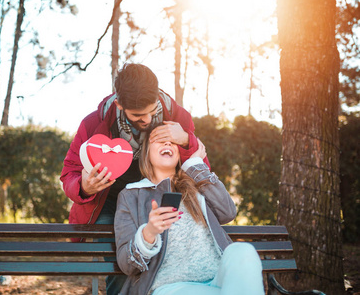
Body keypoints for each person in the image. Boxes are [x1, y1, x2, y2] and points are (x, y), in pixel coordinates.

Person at [60, 63, 210, 294]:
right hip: (107, 203)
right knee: (122, 266)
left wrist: (186, 140)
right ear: (120, 105)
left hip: (160, 198)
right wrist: (84, 187)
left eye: (152, 111)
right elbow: (69, 171)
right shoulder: (93, 124)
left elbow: (200, 168)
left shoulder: (178, 116)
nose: (148, 120)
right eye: (138, 115)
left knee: (166, 262)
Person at [114, 134, 264, 295]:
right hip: (172, 287)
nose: (167, 142)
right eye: (159, 139)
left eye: (173, 141)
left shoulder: (196, 186)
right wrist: (149, 232)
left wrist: (195, 164)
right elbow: (126, 264)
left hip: (219, 279)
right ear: (146, 152)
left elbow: (227, 211)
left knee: (243, 251)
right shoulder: (131, 195)